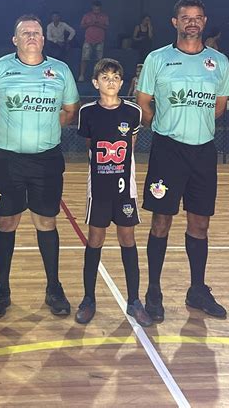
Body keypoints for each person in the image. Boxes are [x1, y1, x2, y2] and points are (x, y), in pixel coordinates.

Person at [0, 14, 79, 318]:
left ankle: (54, 287)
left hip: (46, 160)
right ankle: (2, 288)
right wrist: (5, 118)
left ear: (44, 39)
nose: (32, 36)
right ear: (15, 40)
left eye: (37, 32)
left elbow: (70, 109)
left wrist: (47, 123)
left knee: (46, 222)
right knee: (6, 223)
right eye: (25, 33)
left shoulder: (60, 71)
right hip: (7, 159)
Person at [136, 0, 229, 322]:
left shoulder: (219, 62)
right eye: (185, 17)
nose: (192, 22)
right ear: (175, 22)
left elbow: (219, 107)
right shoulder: (157, 59)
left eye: (197, 17)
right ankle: (154, 290)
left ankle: (197, 290)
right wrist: (165, 125)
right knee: (161, 220)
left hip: (203, 151)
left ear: (204, 22)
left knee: (200, 223)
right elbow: (144, 101)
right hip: (168, 150)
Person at [75, 58, 152, 327]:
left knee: (127, 237)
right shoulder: (87, 112)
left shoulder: (133, 112)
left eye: (115, 77)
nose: (111, 81)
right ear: (96, 82)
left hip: (124, 185)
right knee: (95, 238)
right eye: (105, 77)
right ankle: (88, 299)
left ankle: (134, 301)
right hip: (98, 185)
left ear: (122, 82)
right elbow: (89, 144)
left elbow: (131, 144)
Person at [78, 1, 109, 82]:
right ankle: (81, 75)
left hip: (100, 40)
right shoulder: (87, 15)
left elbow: (107, 27)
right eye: (95, 9)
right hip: (88, 39)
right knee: (85, 58)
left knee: (99, 59)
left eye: (98, 9)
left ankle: (97, 76)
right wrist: (90, 23)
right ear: (92, 8)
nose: (96, 11)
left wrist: (98, 24)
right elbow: (81, 26)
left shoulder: (104, 16)